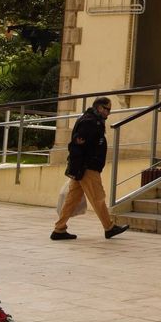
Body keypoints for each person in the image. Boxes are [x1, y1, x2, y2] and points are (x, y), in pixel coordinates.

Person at [51, 98, 129, 241]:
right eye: (107, 109)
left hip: (84, 167)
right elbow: (77, 145)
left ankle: (59, 229)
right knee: (98, 198)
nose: (108, 113)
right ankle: (109, 227)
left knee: (72, 199)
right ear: (99, 108)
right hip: (87, 168)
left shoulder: (92, 121)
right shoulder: (90, 122)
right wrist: (81, 166)